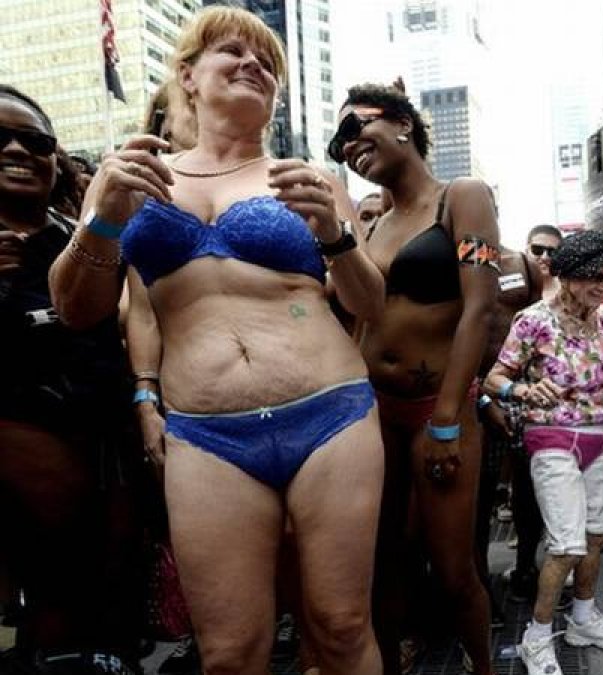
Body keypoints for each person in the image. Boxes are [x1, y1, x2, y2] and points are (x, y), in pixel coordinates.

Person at [49, 7, 388, 673]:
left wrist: (336, 237)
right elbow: (75, 308)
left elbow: (369, 303)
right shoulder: (130, 179)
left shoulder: (310, 182)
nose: (254, 65)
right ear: (188, 76)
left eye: (267, 63)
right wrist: (101, 225)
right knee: (230, 652)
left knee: (342, 628)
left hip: (332, 416)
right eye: (232, 51)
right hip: (207, 435)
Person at [330, 81, 500, 674]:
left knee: (454, 572)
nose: (347, 146)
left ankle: (483, 667)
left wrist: (449, 420)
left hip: (439, 408)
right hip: (375, 412)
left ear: (403, 123)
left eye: (355, 128)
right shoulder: (372, 227)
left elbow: (480, 307)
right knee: (385, 565)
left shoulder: (462, 197)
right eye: (338, 141)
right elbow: (360, 322)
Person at [0, 84, 142, 673]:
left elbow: (140, 329)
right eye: (0, 138)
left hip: (111, 452)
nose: (17, 149)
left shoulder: (89, 240)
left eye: (35, 140)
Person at [484, 230, 603, 675]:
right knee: (566, 546)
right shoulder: (533, 320)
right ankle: (537, 637)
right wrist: (524, 389)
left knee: (596, 535)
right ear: (569, 275)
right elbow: (494, 379)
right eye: (595, 277)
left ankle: (582, 619)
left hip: (597, 438)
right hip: (551, 437)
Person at [475, 242, 545, 605]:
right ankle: (478, 581)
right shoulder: (463, 264)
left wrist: (530, 387)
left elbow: (539, 323)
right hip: (475, 389)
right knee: (479, 494)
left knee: (528, 485)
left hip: (520, 390)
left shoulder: (520, 262)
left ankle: (525, 567)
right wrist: (481, 397)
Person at [527, 223, 563, 301]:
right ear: (527, 251)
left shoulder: (568, 292)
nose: (544, 257)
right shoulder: (514, 289)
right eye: (537, 250)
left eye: (552, 252)